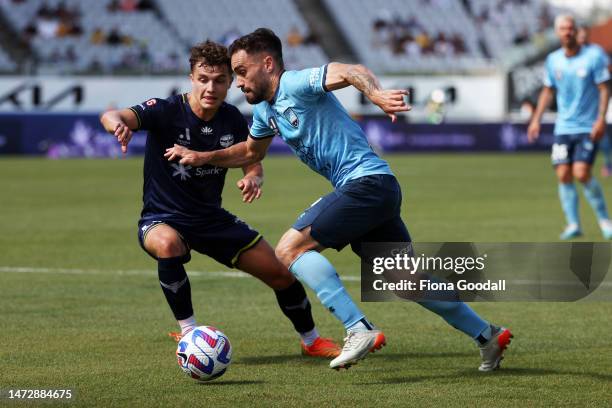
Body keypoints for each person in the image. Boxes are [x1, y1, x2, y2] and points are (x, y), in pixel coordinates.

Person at [165, 28, 512, 371]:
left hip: (366, 183)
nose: (238, 83)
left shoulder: (294, 83)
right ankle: (487, 335)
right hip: (376, 191)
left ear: (267, 64)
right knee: (407, 281)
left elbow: (349, 71)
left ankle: (357, 328)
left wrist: (374, 95)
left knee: (289, 249)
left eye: (241, 72)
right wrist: (203, 157)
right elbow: (250, 152)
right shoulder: (264, 111)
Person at [100, 40, 340, 359]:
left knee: (281, 274)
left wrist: (253, 176)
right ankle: (189, 333)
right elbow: (112, 114)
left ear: (230, 82)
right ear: (191, 78)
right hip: (162, 218)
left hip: (211, 220)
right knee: (168, 244)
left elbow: (251, 158)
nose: (210, 87)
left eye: (219, 80)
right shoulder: (165, 110)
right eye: (203, 79)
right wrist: (117, 125)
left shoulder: (232, 118)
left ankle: (311, 341)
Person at [528, 15, 612, 240]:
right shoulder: (553, 60)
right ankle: (573, 224)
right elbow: (548, 91)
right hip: (563, 128)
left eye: (570, 28)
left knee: (581, 173)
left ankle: (605, 219)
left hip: (587, 126)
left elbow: (604, 88)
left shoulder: (593, 57)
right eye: (562, 29)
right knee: (563, 174)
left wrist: (601, 119)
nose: (567, 32)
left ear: (576, 32)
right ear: (557, 33)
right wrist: (536, 119)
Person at [576, 24, 612, 177]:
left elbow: (608, 68)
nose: (583, 38)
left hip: (596, 99)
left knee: (600, 132)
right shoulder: (570, 54)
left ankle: (608, 164)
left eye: (585, 35)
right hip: (579, 102)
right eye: (580, 35)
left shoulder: (596, 52)